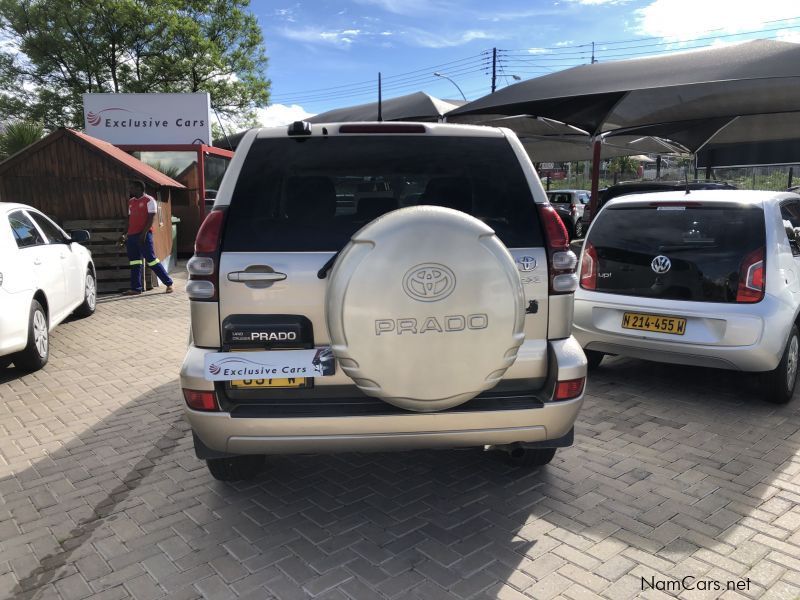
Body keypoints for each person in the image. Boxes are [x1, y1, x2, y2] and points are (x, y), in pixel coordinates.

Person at [124, 179, 174, 295]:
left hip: (144, 235)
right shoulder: (131, 202)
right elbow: (129, 219)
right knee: (135, 262)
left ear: (139, 189)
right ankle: (136, 288)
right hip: (131, 236)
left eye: (132, 187)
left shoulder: (149, 200)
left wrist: (144, 234)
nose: (130, 189)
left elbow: (151, 219)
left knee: (151, 260)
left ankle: (169, 283)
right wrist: (124, 234)